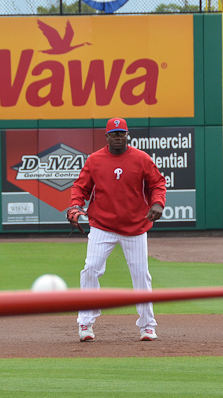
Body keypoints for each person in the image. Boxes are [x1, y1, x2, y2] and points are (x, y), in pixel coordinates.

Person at [67, 117, 167, 342]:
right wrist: (75, 204)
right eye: (114, 133)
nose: (118, 137)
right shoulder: (95, 160)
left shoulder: (141, 159)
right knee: (91, 269)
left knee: (141, 275)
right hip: (102, 225)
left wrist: (158, 203)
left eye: (122, 133)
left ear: (127, 135)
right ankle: (86, 321)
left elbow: (157, 184)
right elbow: (80, 186)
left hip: (135, 226)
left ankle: (147, 326)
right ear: (107, 136)